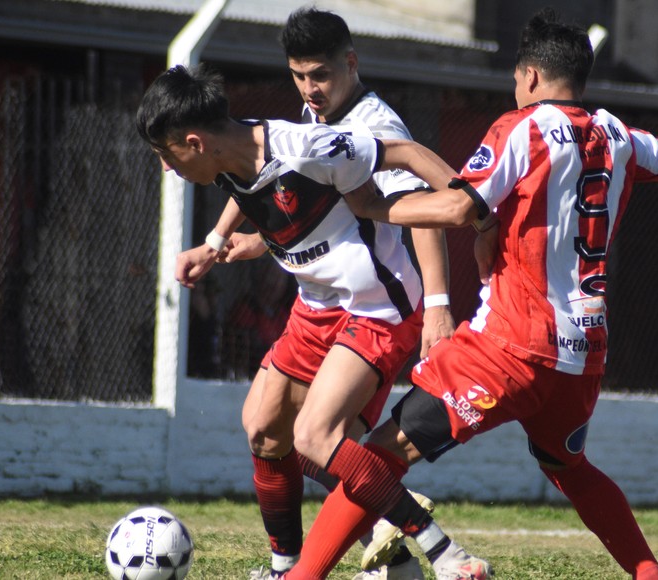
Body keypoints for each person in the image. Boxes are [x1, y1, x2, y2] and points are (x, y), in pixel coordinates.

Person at [281, 8, 658, 580]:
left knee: (380, 455)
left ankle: (299, 576)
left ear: (530, 75)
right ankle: (650, 575)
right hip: (581, 353)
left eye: (515, 78)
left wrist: (374, 205)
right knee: (567, 463)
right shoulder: (618, 135)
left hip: (507, 346)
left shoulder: (520, 129)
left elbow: (462, 205)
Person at [134, 62, 482, 580]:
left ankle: (443, 553)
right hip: (317, 307)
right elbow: (241, 186)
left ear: (194, 141)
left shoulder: (304, 146)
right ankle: (288, 567)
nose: (167, 166)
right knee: (263, 432)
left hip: (376, 308)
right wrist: (213, 244)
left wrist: (464, 197)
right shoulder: (227, 152)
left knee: (314, 438)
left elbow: (402, 152)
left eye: (167, 153)